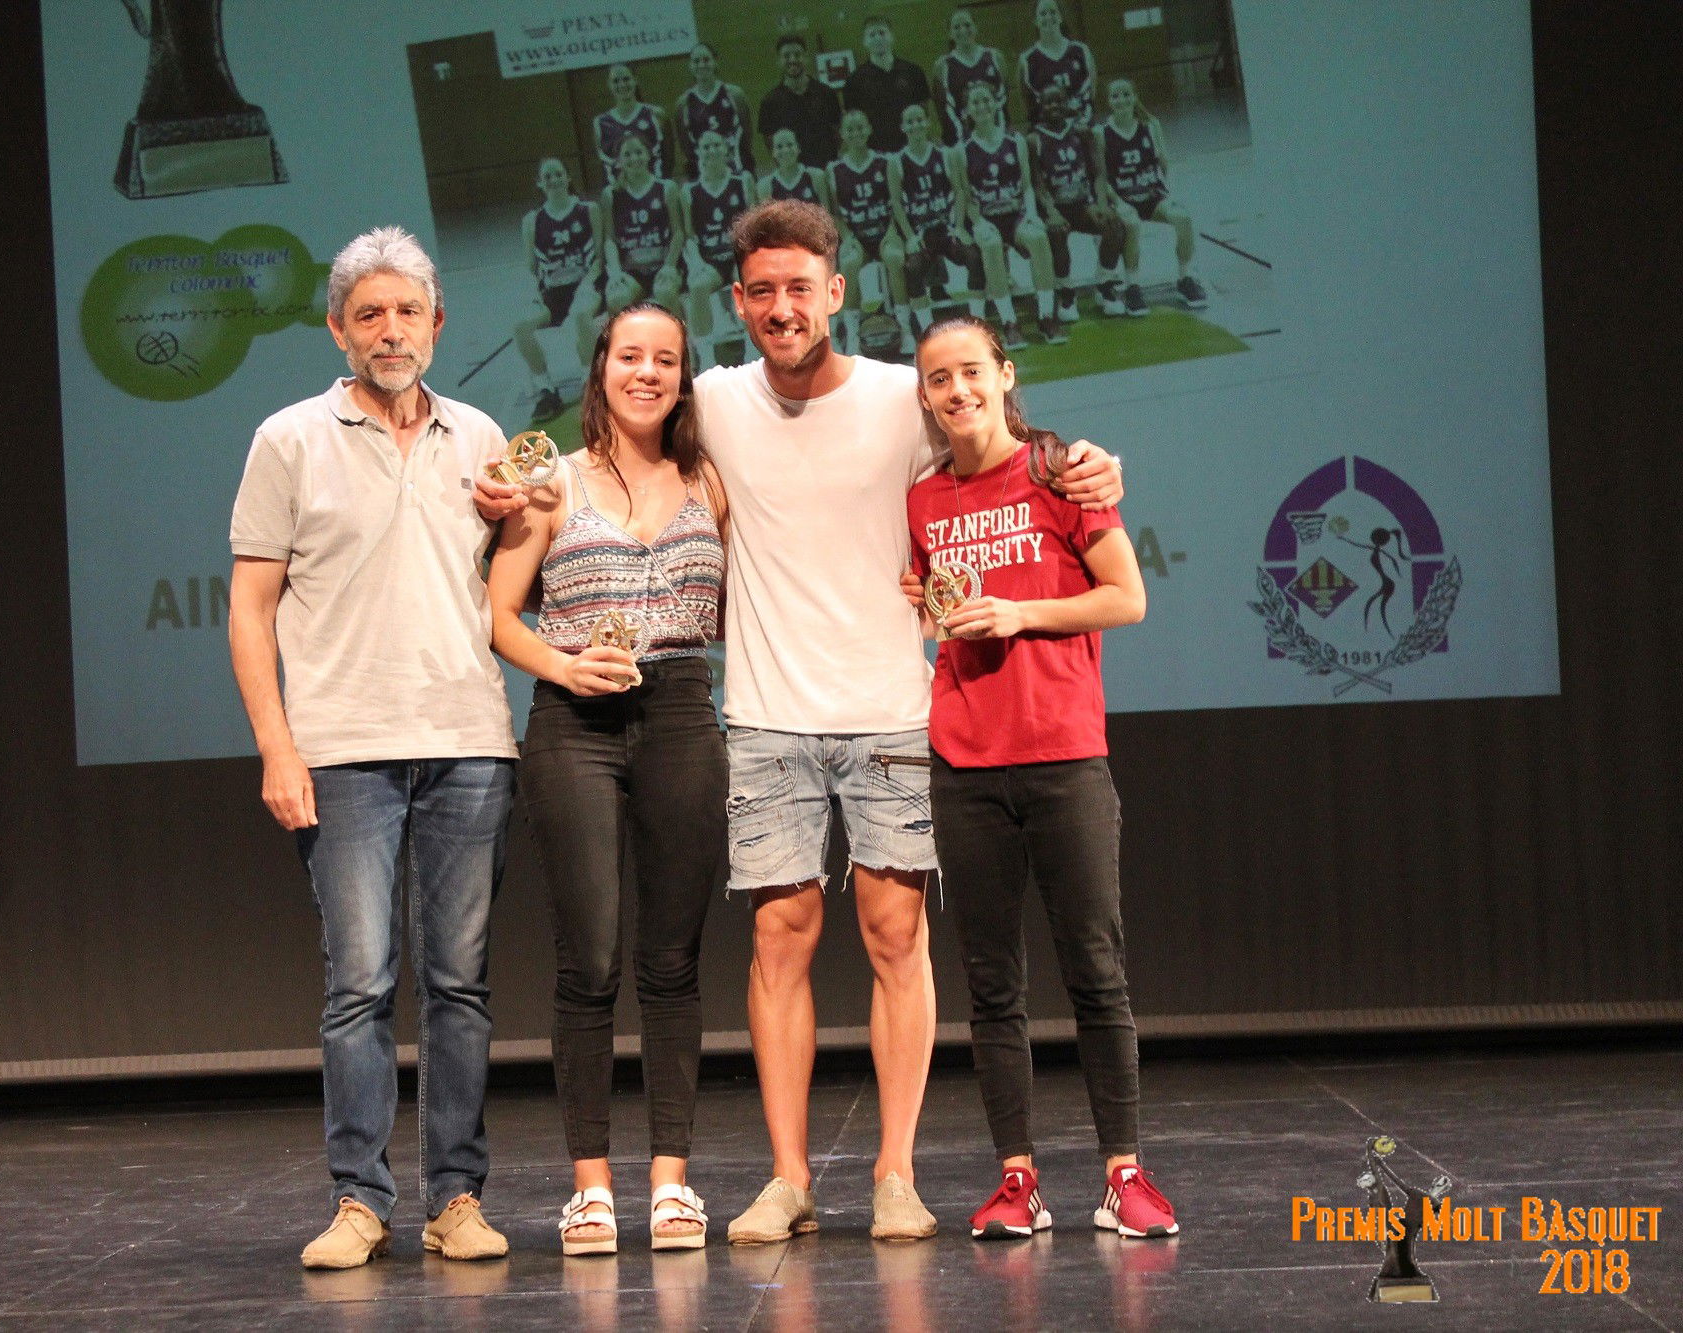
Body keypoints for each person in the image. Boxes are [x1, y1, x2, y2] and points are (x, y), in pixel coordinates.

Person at [475, 198, 1124, 1247]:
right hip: (768, 718)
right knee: (778, 940)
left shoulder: (897, 399)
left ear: (835, 292)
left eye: (799, 289)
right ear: (738, 302)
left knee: (893, 935)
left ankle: (894, 1174)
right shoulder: (714, 402)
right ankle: (785, 1178)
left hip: (891, 714)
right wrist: (494, 492)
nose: (781, 308)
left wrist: (1079, 462)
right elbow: (588, 460)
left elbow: (995, 437)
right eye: (761, 292)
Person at [228, 227, 516, 1271]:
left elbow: (515, 578)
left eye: (407, 312)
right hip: (342, 749)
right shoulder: (289, 439)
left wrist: (521, 519)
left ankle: (456, 1197)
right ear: (336, 328)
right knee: (357, 982)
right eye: (369, 314)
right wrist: (276, 746)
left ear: (438, 324)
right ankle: (359, 1199)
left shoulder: (482, 436)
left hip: (468, 742)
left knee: (461, 983)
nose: (389, 330)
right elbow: (249, 605)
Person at [903, 314, 1178, 1243]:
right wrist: (930, 601)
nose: (957, 391)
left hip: (1064, 758)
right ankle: (1016, 1179)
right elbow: (935, 603)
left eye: (971, 372)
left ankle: (1125, 1176)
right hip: (966, 765)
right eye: (938, 379)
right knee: (993, 985)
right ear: (926, 396)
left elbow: (1128, 597)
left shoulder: (1059, 471)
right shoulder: (926, 496)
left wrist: (1020, 614)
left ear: (1003, 374)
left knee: (1097, 973)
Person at [487, 303, 730, 1257]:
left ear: (682, 376)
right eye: (631, 355)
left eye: (666, 359)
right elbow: (500, 614)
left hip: (678, 711)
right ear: (602, 367)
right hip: (573, 722)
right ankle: (590, 1187)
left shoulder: (710, 477)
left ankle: (671, 1182)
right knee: (588, 958)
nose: (648, 372)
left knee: (671, 960)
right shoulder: (551, 484)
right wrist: (561, 666)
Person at [958, 82, 1061, 345]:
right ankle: (1009, 321)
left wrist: (1032, 213)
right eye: (975, 103)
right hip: (986, 218)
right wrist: (978, 222)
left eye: (985, 101)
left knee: (1038, 238)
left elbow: (1027, 185)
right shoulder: (962, 151)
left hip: (1015, 215)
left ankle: (1047, 315)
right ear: (968, 110)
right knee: (991, 244)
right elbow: (966, 195)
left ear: (995, 104)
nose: (981, 107)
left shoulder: (1015, 142)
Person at [1096, 76, 1208, 313]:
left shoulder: (1151, 125)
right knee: (1132, 224)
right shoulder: (1102, 132)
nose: (1122, 99)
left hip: (1152, 197)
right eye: (1115, 95)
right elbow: (1101, 178)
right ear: (1108, 101)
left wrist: (1165, 191)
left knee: (1183, 217)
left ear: (1135, 97)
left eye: (1127, 94)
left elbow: (1164, 163)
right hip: (1124, 200)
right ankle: (1133, 286)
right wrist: (1117, 202)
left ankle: (1186, 278)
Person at [512, 157, 602, 421]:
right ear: (540, 183)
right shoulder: (532, 220)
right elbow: (530, 267)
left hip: (586, 287)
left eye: (558, 174)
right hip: (552, 295)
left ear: (568, 178)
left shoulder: (588, 210)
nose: (553, 180)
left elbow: (598, 258)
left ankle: (590, 383)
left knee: (581, 316)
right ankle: (546, 388)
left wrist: (587, 285)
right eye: (547, 176)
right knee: (521, 326)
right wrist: (532, 295)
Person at [1029, 86, 1127, 323]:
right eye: (1048, 102)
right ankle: (1066, 291)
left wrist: (1102, 203)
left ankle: (1105, 283)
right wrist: (1051, 212)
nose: (1053, 106)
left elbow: (1099, 174)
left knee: (1114, 224)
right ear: (1040, 108)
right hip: (1055, 207)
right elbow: (1037, 184)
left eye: (1058, 101)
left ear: (1068, 104)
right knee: (1056, 231)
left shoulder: (1083, 133)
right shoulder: (1034, 140)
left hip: (1083, 205)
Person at [887, 101, 981, 343]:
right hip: (920, 234)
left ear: (928, 123)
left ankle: (979, 321)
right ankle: (928, 330)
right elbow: (896, 203)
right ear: (902, 127)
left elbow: (960, 191)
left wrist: (959, 226)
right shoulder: (897, 161)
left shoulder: (946, 155)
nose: (916, 125)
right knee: (912, 269)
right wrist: (909, 237)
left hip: (946, 229)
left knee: (973, 256)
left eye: (920, 119)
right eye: (910, 121)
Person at [829, 108, 899, 357]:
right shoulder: (834, 170)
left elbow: (895, 203)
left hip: (883, 231)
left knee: (895, 256)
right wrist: (847, 236)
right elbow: (835, 212)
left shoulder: (885, 162)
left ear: (869, 129)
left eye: (860, 127)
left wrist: (892, 231)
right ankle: (852, 333)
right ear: (842, 135)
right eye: (850, 129)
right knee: (848, 262)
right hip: (855, 235)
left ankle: (906, 326)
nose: (856, 133)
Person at [683, 132, 754, 366]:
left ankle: (753, 344)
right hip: (710, 260)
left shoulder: (742, 182)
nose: (711, 150)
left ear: (726, 150)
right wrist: (697, 264)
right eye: (706, 146)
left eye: (716, 145)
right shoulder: (689, 192)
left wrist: (743, 256)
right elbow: (689, 236)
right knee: (697, 285)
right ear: (698, 154)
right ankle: (705, 357)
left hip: (739, 254)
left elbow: (755, 225)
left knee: (747, 280)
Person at [600, 134, 684, 316]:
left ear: (649, 155)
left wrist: (670, 265)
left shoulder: (666, 188)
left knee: (665, 292)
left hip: (663, 264)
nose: (634, 158)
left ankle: (684, 341)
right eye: (627, 154)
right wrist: (614, 272)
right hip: (632, 272)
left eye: (638, 152)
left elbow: (678, 233)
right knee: (616, 298)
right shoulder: (611, 194)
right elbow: (610, 240)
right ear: (619, 161)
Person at [843, 14, 932, 155]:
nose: (878, 38)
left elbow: (924, 112)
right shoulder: (854, 81)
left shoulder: (913, 71)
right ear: (864, 42)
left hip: (912, 150)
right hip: (877, 154)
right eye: (872, 35)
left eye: (882, 32)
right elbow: (854, 123)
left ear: (891, 37)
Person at [757, 34, 842, 170]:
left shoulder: (827, 93)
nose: (792, 60)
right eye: (786, 56)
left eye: (797, 54)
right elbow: (770, 143)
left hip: (827, 169)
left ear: (806, 57)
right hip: (793, 175)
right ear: (779, 60)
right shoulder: (770, 102)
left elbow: (837, 134)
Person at [674, 42, 755, 176]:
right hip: (703, 176)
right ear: (690, 65)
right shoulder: (683, 103)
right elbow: (686, 146)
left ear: (715, 62)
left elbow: (746, 136)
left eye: (706, 60)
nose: (701, 65)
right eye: (696, 61)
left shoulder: (735, 95)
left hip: (737, 170)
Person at [934, 6, 1010, 145]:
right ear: (949, 33)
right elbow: (942, 111)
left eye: (967, 25)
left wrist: (1002, 133)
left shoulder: (995, 57)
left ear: (976, 27)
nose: (963, 30)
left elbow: (1003, 101)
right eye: (956, 27)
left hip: (997, 137)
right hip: (961, 141)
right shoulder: (942, 66)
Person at [1017, 0, 1098, 129]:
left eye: (1053, 12)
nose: (1048, 17)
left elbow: (1092, 92)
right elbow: (1027, 102)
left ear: (1061, 17)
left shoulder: (1081, 50)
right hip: (1047, 130)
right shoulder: (1027, 59)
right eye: (1043, 13)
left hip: (1082, 126)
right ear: (1036, 20)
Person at [594, 63, 669, 183]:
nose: (622, 85)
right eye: (616, 81)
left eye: (626, 79)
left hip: (654, 189)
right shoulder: (601, 122)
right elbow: (605, 166)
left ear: (635, 80)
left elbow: (668, 157)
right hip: (621, 193)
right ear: (609, 85)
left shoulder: (655, 113)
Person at [757, 127, 829, 209]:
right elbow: (767, 221)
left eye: (790, 145)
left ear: (798, 148)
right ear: (773, 152)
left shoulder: (816, 176)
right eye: (779, 147)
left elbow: (827, 216)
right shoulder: (765, 186)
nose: (785, 150)